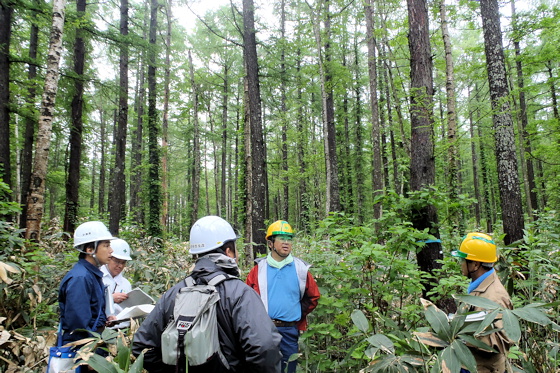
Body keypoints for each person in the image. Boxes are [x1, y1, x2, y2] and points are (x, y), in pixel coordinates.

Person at [132, 215, 282, 373]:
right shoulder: (240, 293)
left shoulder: (174, 293)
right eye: (235, 248)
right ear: (229, 251)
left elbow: (142, 346)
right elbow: (265, 348)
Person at [246, 220, 321, 373]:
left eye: (289, 239)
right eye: (281, 238)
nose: (286, 243)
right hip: (264, 331)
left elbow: (313, 297)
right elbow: (247, 300)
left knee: (288, 369)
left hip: (289, 331)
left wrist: (297, 315)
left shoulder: (301, 269)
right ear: (270, 243)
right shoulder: (258, 270)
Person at [451, 232, 513, 373]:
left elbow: (503, 339)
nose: (461, 264)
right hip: (470, 364)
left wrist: (463, 335)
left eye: (463, 260)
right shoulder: (479, 285)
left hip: (482, 368)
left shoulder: (495, 296)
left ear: (475, 265)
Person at [58, 221, 117, 357]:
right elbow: (77, 325)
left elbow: (91, 314)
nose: (111, 250)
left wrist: (104, 319)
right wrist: (88, 356)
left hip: (94, 346)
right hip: (84, 352)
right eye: (106, 246)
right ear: (90, 250)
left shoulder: (91, 275)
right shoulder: (80, 278)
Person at [101, 238, 133, 329]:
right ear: (109, 258)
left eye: (123, 262)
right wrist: (110, 299)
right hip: (103, 330)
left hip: (123, 331)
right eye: (117, 261)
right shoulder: (99, 278)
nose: (120, 266)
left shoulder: (126, 283)